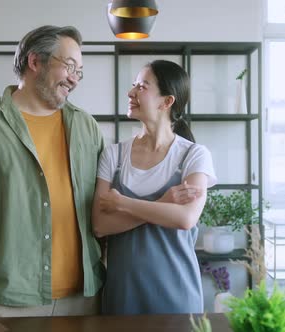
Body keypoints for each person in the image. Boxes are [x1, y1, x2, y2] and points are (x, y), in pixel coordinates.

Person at [0, 25, 105, 317]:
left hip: (85, 297)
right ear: (34, 62)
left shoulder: (86, 126)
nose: (74, 79)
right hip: (11, 301)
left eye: (79, 71)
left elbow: (101, 206)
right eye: (69, 66)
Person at [92, 60, 217, 315]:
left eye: (142, 87)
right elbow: (100, 225)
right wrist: (162, 204)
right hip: (122, 298)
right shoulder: (113, 155)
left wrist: (122, 203)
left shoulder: (193, 156)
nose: (131, 93)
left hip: (177, 298)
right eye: (133, 85)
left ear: (166, 101)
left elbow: (185, 218)